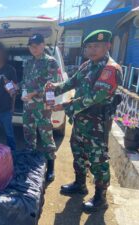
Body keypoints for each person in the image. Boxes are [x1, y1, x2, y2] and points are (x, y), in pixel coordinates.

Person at [46, 30, 123, 213]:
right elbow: (71, 83)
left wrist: (65, 106)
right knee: (78, 153)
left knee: (98, 160)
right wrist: (53, 88)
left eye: (96, 46)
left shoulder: (111, 69)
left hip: (97, 124)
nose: (92, 50)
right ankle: (80, 184)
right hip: (81, 121)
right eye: (89, 46)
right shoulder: (88, 65)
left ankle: (100, 198)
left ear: (107, 46)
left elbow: (93, 98)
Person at [21, 34, 59, 182]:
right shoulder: (29, 62)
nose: (34, 48)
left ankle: (51, 168)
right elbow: (25, 80)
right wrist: (20, 89)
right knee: (29, 134)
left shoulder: (51, 62)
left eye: (37, 45)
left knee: (46, 136)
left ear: (43, 45)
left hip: (42, 106)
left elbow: (52, 85)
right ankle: (32, 163)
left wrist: (34, 93)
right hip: (28, 105)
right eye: (31, 46)